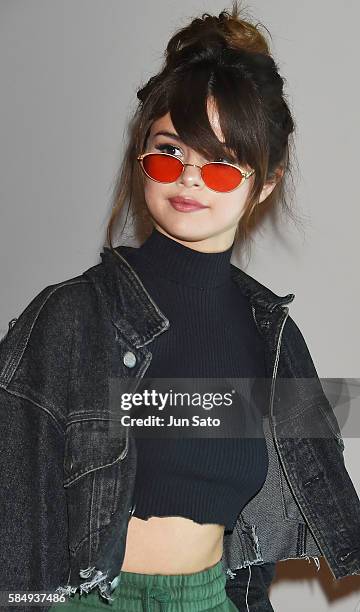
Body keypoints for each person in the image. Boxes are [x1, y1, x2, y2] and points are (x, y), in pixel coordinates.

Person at [1, 2, 360, 612]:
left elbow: (313, 487)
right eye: (170, 154)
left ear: (262, 184)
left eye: (221, 167)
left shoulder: (275, 342)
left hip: (214, 598)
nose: (190, 179)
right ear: (141, 158)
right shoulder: (66, 318)